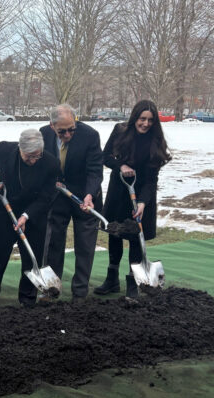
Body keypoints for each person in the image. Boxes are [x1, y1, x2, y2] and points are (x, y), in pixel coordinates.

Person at [94, 99, 171, 297]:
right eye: (142, 119)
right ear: (135, 117)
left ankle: (132, 283)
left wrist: (143, 202)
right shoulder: (120, 131)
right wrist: (121, 166)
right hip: (119, 192)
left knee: (136, 237)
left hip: (142, 194)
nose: (145, 123)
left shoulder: (155, 142)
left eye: (150, 120)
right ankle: (112, 279)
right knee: (116, 233)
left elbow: (152, 179)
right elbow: (105, 156)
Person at [0, 129, 59, 307]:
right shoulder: (4, 150)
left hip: (33, 214)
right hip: (4, 209)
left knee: (32, 257)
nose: (32, 161)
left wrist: (26, 216)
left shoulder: (51, 163)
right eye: (29, 156)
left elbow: (47, 196)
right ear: (20, 149)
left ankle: (27, 297)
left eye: (36, 156)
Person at [40, 105, 103, 301]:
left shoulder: (90, 135)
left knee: (85, 245)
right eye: (62, 131)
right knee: (53, 243)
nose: (68, 134)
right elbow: (41, 164)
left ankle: (80, 292)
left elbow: (95, 170)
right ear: (52, 126)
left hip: (85, 198)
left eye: (71, 129)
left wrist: (90, 194)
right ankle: (52, 289)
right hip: (57, 197)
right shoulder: (42, 134)